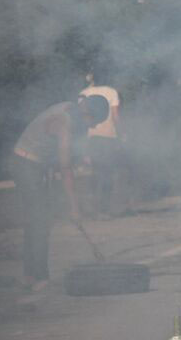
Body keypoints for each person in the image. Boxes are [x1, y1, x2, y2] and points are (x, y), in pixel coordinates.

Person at [11, 94, 110, 290]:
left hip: (33, 164)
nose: (95, 126)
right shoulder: (64, 122)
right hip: (26, 164)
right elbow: (65, 168)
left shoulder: (71, 108)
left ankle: (30, 275)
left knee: (35, 220)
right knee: (39, 221)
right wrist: (74, 208)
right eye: (96, 121)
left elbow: (61, 157)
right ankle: (40, 277)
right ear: (88, 113)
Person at [79, 72, 123, 216]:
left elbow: (81, 119)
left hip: (91, 138)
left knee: (94, 173)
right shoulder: (111, 92)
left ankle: (93, 209)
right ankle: (103, 209)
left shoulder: (83, 93)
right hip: (108, 137)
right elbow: (116, 117)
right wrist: (122, 135)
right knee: (107, 173)